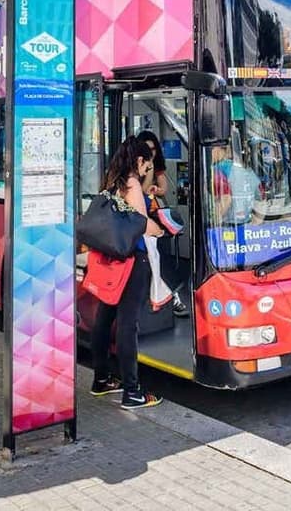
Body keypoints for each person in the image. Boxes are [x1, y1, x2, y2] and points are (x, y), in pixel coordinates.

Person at [89, 136, 165, 410]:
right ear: (141, 160)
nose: (148, 170)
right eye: (148, 163)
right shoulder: (132, 184)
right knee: (127, 324)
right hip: (132, 260)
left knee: (104, 317)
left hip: (111, 259)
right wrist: (160, 228)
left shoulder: (113, 180)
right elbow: (141, 224)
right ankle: (132, 391)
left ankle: (101, 379)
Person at [135, 130, 189, 318]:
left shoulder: (155, 166)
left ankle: (169, 295)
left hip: (154, 212)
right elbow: (139, 191)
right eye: (147, 149)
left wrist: (156, 189)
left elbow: (163, 187)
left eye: (153, 149)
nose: (152, 152)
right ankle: (170, 295)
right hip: (142, 217)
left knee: (160, 255)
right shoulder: (137, 170)